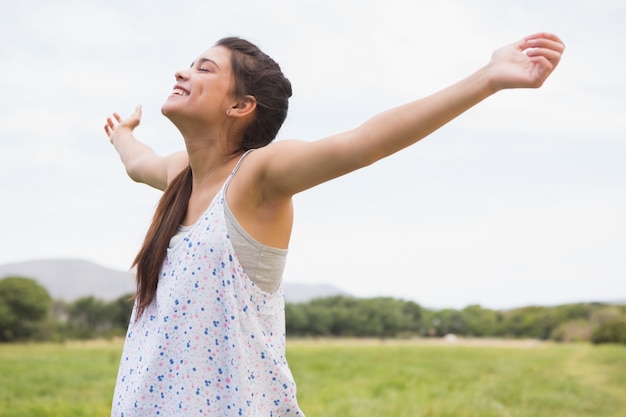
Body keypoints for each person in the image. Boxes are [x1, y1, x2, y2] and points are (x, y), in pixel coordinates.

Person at [104, 33, 564, 416]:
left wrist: (488, 78)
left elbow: (363, 143)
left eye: (204, 69)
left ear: (241, 106)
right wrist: (123, 134)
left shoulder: (257, 175)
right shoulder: (178, 177)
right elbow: (137, 162)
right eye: (189, 65)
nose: (183, 73)